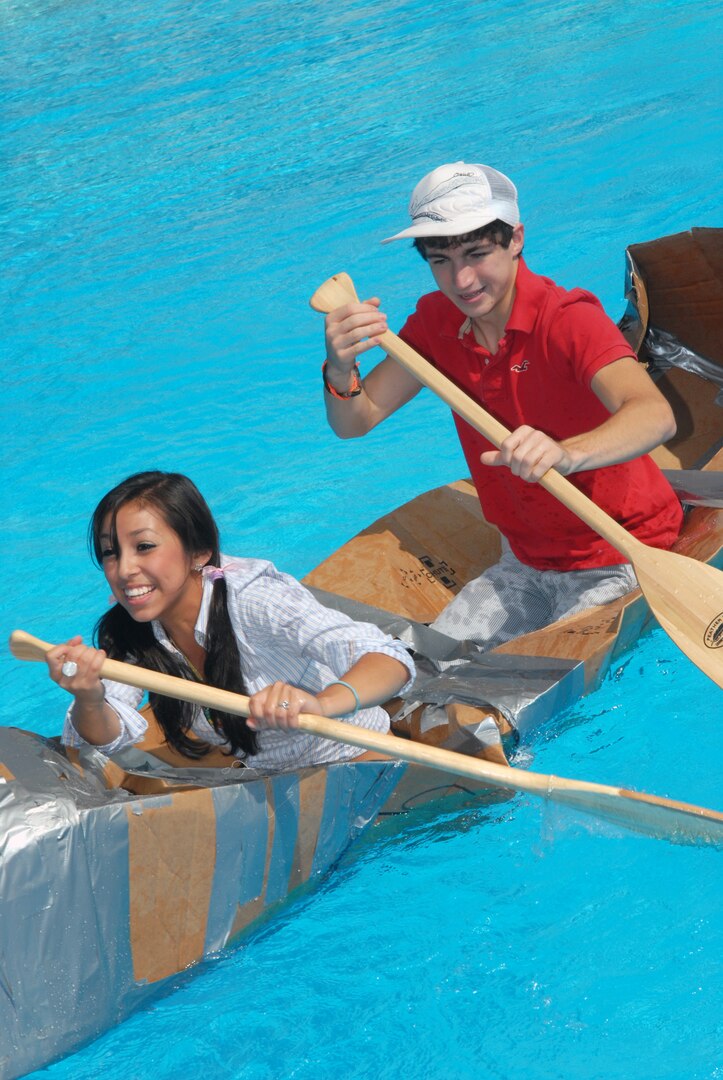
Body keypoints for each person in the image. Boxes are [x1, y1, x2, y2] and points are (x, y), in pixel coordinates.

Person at [321, 161, 683, 648]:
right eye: (440, 261)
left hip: (620, 551)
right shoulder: (435, 322)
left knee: (502, 714)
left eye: (476, 253)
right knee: (424, 674)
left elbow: (654, 415)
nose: (461, 279)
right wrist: (340, 370)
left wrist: (565, 453)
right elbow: (355, 421)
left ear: (516, 239)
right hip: (523, 559)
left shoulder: (568, 319)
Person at [46, 471, 414, 771]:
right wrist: (89, 698)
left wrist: (322, 705)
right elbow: (108, 737)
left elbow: (389, 658)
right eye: (110, 552)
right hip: (273, 787)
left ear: (200, 552)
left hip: (364, 765)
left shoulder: (255, 599)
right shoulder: (131, 630)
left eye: (144, 547)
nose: (124, 570)